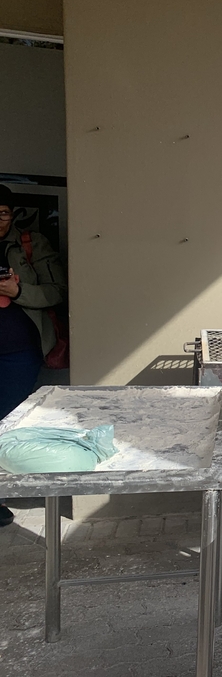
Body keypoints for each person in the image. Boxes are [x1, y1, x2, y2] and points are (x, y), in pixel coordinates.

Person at [0, 185, 67, 526]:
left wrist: (18, 290)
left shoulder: (31, 243)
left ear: (12, 215)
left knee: (5, 422)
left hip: (17, 353)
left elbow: (57, 291)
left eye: (3, 212)